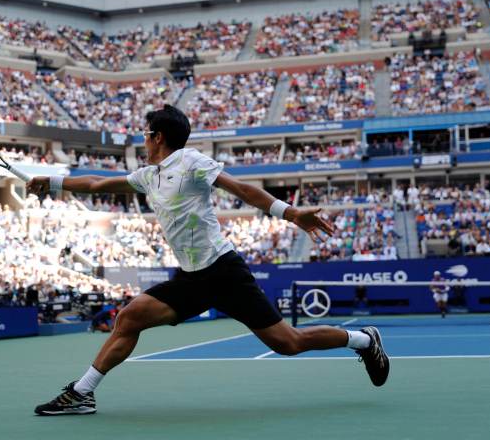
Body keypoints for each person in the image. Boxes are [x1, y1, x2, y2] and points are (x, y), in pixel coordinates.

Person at [27, 105, 389, 416]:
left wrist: (290, 213)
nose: (142, 140)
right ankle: (82, 393)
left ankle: (362, 340)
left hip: (224, 271)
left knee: (288, 343)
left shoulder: (191, 161)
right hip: (191, 278)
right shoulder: (148, 177)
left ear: (158, 137)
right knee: (130, 316)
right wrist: (54, 182)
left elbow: (241, 189)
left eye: (145, 134)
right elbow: (95, 185)